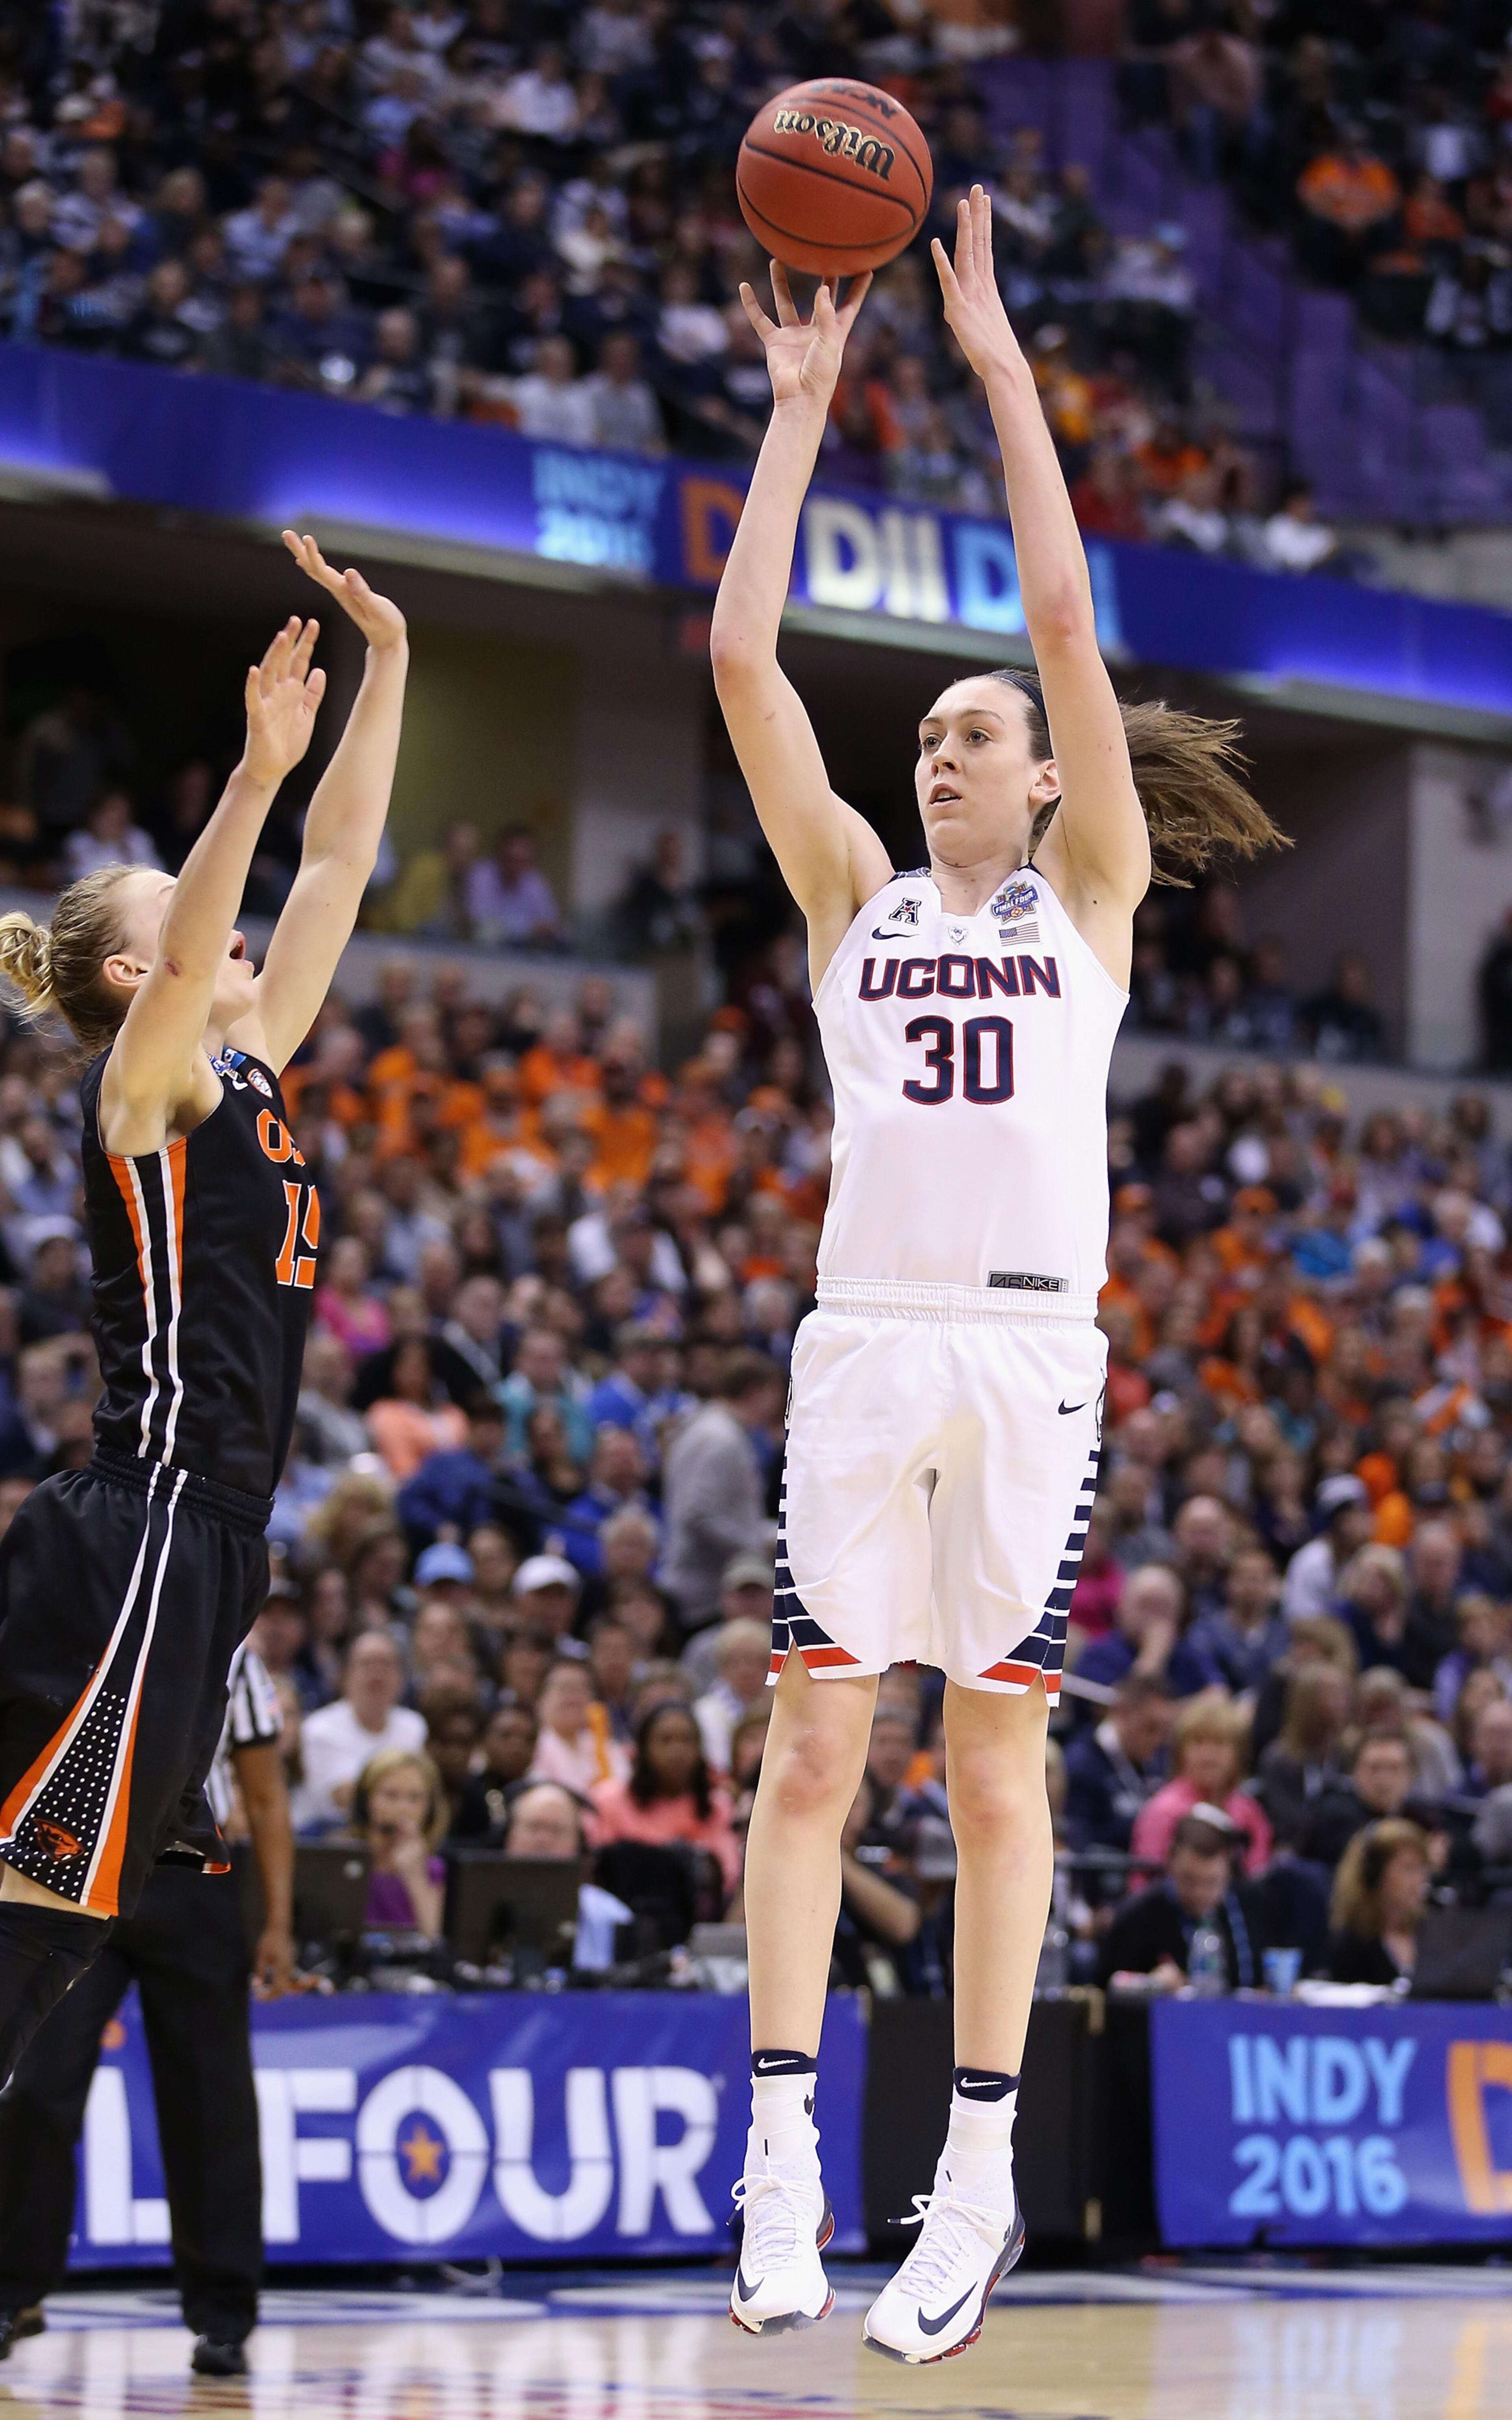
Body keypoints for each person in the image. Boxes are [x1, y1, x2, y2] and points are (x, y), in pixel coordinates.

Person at [711, 191, 1284, 2357]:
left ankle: (971, 2171)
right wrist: (793, 415)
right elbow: (745, 665)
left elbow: (1056, 607)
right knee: (805, 1755)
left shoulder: (1087, 903)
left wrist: (996, 376)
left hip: (1033, 1358)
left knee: (991, 1772)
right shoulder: (848, 890)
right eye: (928, 733)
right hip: (862, 1348)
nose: (941, 746)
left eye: (975, 733)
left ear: (1044, 779)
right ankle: (778, 2150)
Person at [0, 534, 407, 2086]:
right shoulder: (143, 1081)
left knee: (63, 1909)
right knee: (44, 1898)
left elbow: (342, 862)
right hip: (145, 1526)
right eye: (189, 918)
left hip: (216, 1537)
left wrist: (394, 664)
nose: (230, 930)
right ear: (137, 962)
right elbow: (205, 933)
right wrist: (248, 775)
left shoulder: (249, 1066)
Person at [0, 1640, 293, 2378]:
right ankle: (12, 2291)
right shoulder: (82, 1614)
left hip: (196, 1880)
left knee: (211, 2102)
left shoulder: (231, 1649)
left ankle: (224, 2310)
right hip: (77, 1863)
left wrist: (279, 1920)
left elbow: (264, 1794)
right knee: (36, 2085)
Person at [1097, 1809, 1267, 1991]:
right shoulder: (1137, 1916)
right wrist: (1149, 1984)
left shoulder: (1253, 1906)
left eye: (1212, 1882)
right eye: (1189, 1879)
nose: (1199, 1893)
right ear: (1171, 1862)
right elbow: (1106, 1988)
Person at [591, 1700, 741, 1897]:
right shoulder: (608, 1801)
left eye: (686, 1741)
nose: (676, 1752)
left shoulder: (718, 1807)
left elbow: (729, 1878)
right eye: (665, 1740)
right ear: (643, 1748)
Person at [1130, 1693, 1273, 1876]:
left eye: (1219, 1743)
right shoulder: (1163, 1811)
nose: (1208, 1755)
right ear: (1181, 1752)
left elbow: (1258, 1878)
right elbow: (1145, 1885)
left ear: (1238, 1754)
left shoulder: (1249, 1811)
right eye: (1198, 1742)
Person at [293, 1634, 426, 1831]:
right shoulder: (319, 1728)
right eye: (367, 1664)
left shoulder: (415, 1726)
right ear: (345, 1676)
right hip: (326, 1836)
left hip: (395, 1831)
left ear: (401, 1679)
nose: (377, 1674)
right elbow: (344, 1798)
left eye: (386, 1664)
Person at [1062, 1671, 1173, 1852]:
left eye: (1164, 1731)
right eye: (1150, 1728)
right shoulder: (1081, 1764)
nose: (1158, 1741)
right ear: (1123, 1713)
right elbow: (1079, 1843)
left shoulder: (1154, 1762)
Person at [352, 1746, 446, 1936]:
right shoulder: (344, 1857)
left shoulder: (434, 1869)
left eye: (415, 1798)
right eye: (391, 1795)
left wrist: (415, 1875)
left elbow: (433, 1937)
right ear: (365, 1801)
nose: (404, 1808)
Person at [1326, 1818, 1431, 1986]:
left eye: (1423, 1869)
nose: (1420, 1881)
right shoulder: (1351, 1944)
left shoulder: (1433, 1936)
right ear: (1375, 1874)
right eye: (1408, 1868)